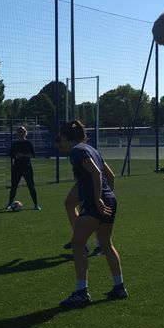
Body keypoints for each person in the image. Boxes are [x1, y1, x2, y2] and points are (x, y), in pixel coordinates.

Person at [56, 120, 127, 307]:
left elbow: (96, 174)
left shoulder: (76, 151)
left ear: (65, 136)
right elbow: (110, 176)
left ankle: (81, 292)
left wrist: (97, 199)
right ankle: (119, 286)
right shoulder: (93, 150)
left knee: (78, 245)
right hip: (110, 199)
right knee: (106, 244)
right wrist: (105, 196)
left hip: (97, 203)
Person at [8, 126, 40, 210]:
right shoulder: (15, 144)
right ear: (17, 133)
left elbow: (33, 155)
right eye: (19, 132)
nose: (21, 133)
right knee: (14, 186)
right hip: (16, 168)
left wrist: (23, 155)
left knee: (31, 186)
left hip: (27, 167)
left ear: (25, 133)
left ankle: (36, 205)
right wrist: (16, 155)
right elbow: (11, 155)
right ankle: (9, 204)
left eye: (22, 132)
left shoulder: (29, 143)